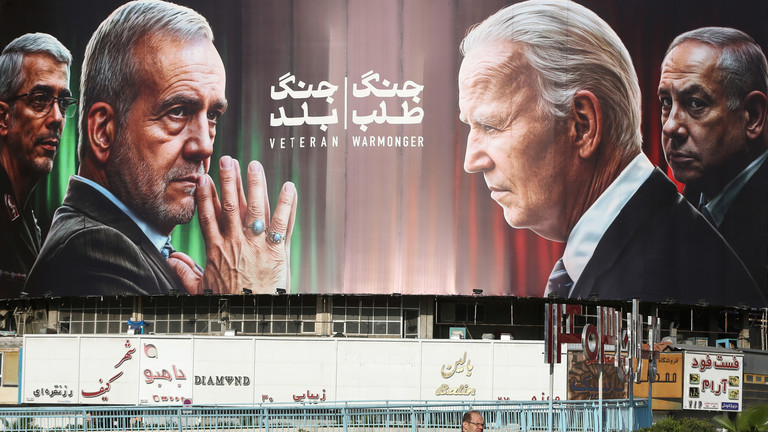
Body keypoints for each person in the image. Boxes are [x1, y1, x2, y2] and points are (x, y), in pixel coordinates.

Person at [458, 0, 766, 306]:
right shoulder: (654, 241)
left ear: (582, 124)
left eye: (491, 125)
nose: (471, 162)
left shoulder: (652, 288)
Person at [25, 0, 297, 296]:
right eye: (178, 112)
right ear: (103, 131)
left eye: (212, 115)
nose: (204, 146)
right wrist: (249, 299)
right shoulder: (92, 252)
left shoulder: (134, 246)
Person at [659, 27, 768, 293]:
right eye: (665, 102)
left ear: (752, 116)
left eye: (695, 103)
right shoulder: (690, 197)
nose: (670, 126)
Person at [0, 33, 73, 297]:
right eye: (40, 99)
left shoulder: (27, 219)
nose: (57, 118)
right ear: (3, 118)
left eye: (63, 103)